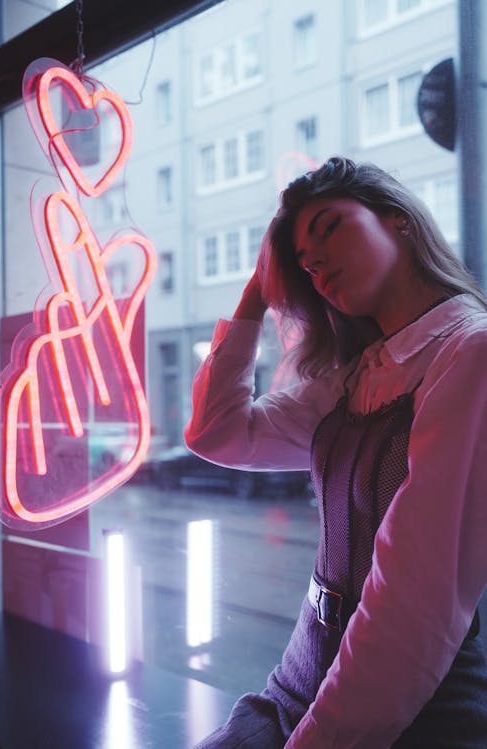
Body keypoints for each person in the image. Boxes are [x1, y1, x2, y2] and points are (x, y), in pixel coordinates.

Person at [184, 157, 487, 748]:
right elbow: (217, 432)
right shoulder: (356, 379)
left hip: (409, 704)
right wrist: (254, 294)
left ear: (397, 220)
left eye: (328, 227)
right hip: (294, 685)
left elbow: (413, 604)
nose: (313, 261)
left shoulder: (469, 354)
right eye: (301, 259)